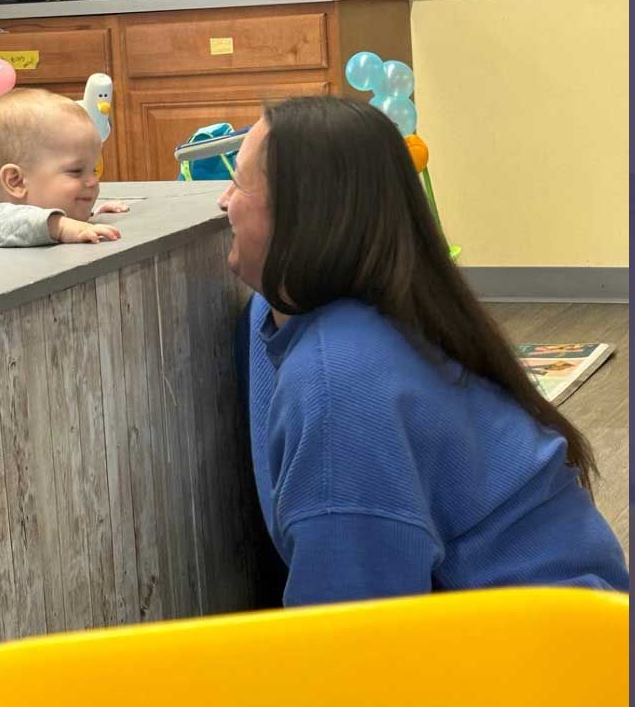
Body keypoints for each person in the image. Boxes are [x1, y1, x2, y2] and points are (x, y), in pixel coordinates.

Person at [221, 96, 628, 608]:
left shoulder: (341, 382)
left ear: (302, 217)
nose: (223, 201)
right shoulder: (370, 322)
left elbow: (353, 638)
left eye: (237, 182)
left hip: (541, 657)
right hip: (578, 630)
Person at [0, 88, 128, 252]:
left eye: (94, 170)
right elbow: (23, 224)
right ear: (16, 181)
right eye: (76, 171)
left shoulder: (57, 221)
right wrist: (61, 227)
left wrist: (93, 216)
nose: (93, 181)